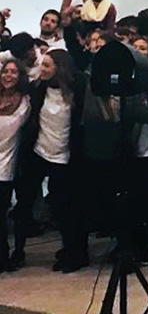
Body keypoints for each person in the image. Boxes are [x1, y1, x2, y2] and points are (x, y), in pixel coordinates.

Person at [12, 49, 86, 272]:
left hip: (64, 156)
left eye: (47, 65)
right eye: (41, 64)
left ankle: (72, 252)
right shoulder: (37, 89)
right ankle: (17, 251)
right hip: (38, 152)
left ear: (59, 68)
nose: (41, 69)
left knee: (63, 206)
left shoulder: (77, 92)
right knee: (24, 202)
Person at [0, 61, 31, 271]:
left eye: (13, 72)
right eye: (5, 71)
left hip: (7, 163)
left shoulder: (24, 102)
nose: (8, 75)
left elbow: (13, 126)